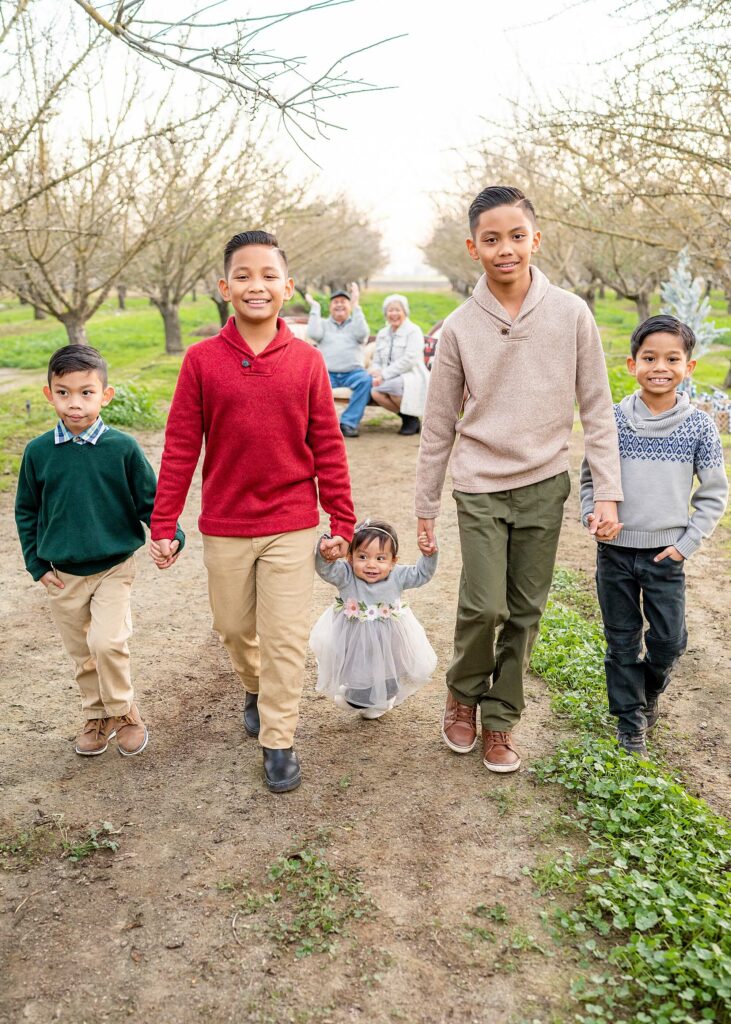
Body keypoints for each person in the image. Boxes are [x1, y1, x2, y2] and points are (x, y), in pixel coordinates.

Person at [415, 185, 623, 774]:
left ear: (535, 239)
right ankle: (462, 694)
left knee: (526, 610)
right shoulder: (457, 328)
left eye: (515, 236)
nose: (505, 249)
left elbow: (597, 406)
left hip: (543, 482)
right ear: (472, 248)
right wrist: (426, 503)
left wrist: (607, 489)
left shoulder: (571, 313)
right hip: (479, 482)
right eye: (490, 239)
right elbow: (437, 426)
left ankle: (501, 720)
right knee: (484, 606)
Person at [150, 230, 356, 794]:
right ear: (224, 287)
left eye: (269, 275)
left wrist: (342, 521)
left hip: (291, 521)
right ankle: (253, 681)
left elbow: (328, 448)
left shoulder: (309, 363)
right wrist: (163, 524)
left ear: (288, 287)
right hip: (226, 524)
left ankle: (279, 737)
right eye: (243, 275)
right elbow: (181, 447)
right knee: (236, 627)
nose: (256, 285)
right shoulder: (201, 362)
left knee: (285, 635)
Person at [14, 345, 185, 758]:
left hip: (113, 566)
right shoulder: (38, 453)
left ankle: (125, 710)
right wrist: (36, 564)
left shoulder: (121, 448)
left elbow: (151, 500)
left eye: (86, 392)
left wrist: (170, 534)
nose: (75, 403)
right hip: (62, 573)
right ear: (48, 394)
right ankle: (97, 715)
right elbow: (26, 511)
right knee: (82, 654)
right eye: (64, 392)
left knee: (107, 642)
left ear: (105, 395)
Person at [580, 315, 728, 757]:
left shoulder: (699, 426)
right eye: (649, 357)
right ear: (631, 364)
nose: (659, 366)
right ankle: (631, 727)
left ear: (690, 367)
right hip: (616, 553)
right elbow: (590, 481)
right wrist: (593, 515)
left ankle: (649, 686)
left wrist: (687, 544)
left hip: (667, 555)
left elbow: (715, 493)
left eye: (671, 358)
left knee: (668, 641)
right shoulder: (613, 422)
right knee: (621, 641)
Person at [309, 518, 437, 718]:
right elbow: (326, 570)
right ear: (350, 557)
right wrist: (326, 547)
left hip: (387, 638)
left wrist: (428, 555)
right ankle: (359, 696)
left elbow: (421, 574)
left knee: (386, 670)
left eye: (380, 558)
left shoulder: (397, 575)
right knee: (358, 669)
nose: (371, 565)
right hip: (354, 637)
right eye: (362, 556)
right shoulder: (347, 575)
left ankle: (382, 700)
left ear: (393, 561)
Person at [305, 283, 371, 438]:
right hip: (328, 373)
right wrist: (314, 307)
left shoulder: (356, 323)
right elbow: (313, 334)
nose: (339, 304)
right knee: (310, 383)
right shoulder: (323, 324)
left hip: (354, 372)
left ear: (350, 306)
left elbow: (363, 334)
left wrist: (356, 306)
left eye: (344, 301)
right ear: (330, 307)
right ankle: (319, 425)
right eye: (336, 302)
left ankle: (348, 423)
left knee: (366, 381)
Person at [370, 294, 429, 436]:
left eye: (397, 310)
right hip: (388, 376)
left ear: (405, 312)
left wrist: (384, 375)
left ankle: (412, 418)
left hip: (411, 374)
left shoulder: (413, 331)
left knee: (393, 386)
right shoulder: (383, 334)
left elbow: (410, 360)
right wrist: (376, 371)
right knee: (375, 392)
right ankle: (409, 418)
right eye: (390, 310)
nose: (394, 314)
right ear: (386, 313)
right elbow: (376, 359)